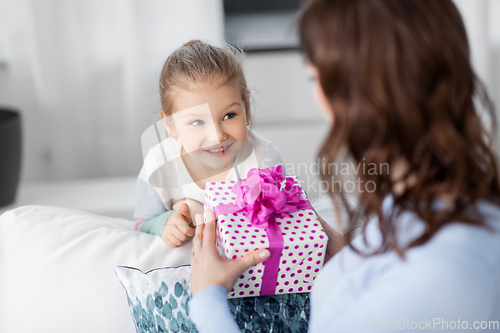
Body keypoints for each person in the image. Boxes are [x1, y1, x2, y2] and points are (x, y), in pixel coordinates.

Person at [189, 0, 500, 332]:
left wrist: (207, 298)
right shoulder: (429, 200)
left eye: (315, 79)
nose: (318, 99)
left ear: (361, 96)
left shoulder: (440, 277)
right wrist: (332, 246)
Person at [134, 40, 284, 248]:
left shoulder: (264, 159)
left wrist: (206, 214)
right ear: (170, 125)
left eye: (229, 115)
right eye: (197, 122)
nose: (216, 136)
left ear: (246, 107)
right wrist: (166, 222)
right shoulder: (158, 163)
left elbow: (280, 223)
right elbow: (142, 224)